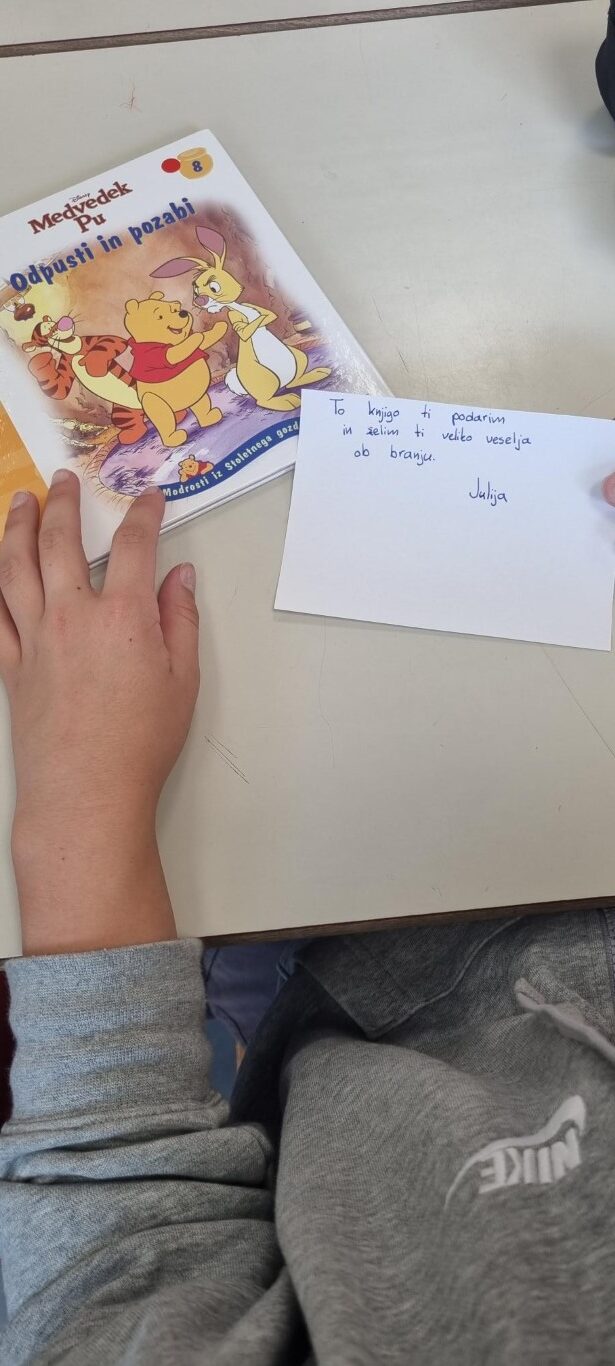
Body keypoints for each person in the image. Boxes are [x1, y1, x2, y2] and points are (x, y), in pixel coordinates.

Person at [1, 472, 615, 1365]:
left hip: (340, 1018)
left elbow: (107, 1268)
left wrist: (80, 789)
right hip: (435, 929)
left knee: (253, 947)